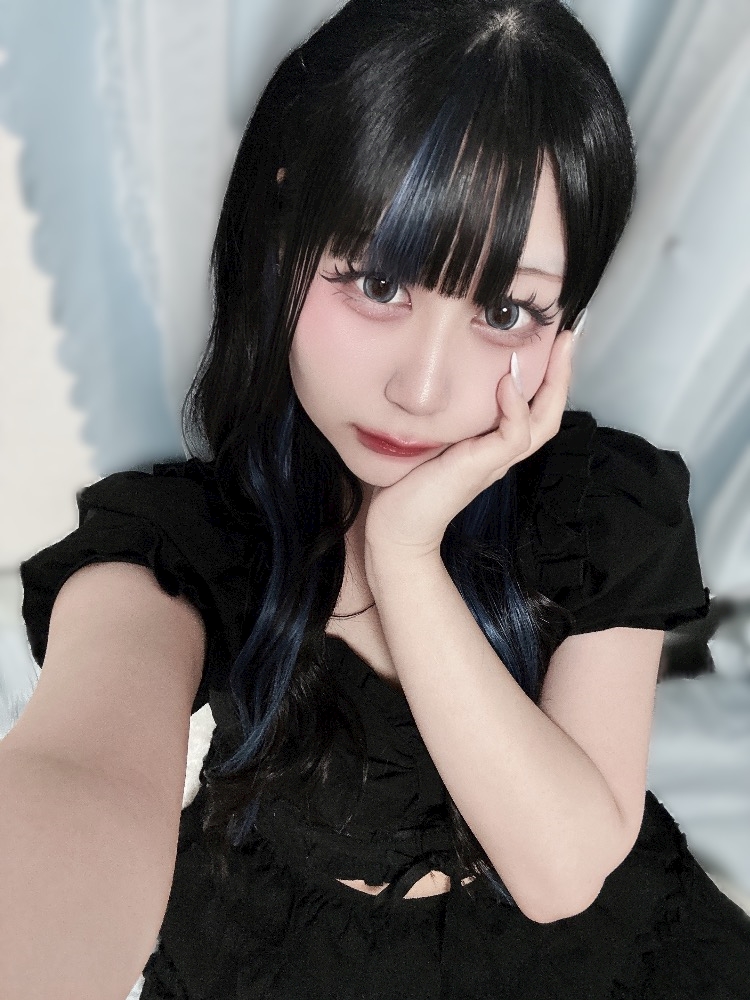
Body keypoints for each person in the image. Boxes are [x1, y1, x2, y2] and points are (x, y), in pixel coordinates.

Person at [5, 0, 750, 996]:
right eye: (380, 282)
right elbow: (75, 779)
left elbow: (563, 871)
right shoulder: (186, 541)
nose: (423, 388)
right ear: (285, 231)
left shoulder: (601, 505)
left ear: (566, 315)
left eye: (505, 309)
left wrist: (403, 551)